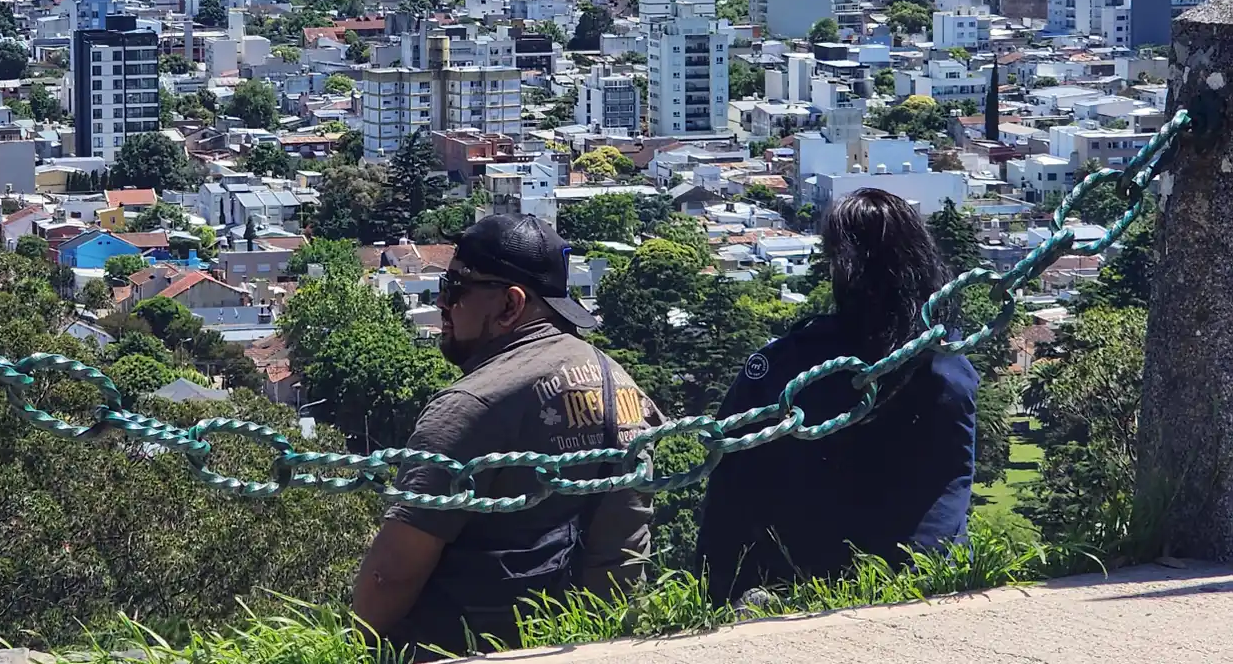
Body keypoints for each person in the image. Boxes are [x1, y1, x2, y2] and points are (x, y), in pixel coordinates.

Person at [353, 214, 665, 657]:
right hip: (605, 642)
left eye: (454, 288)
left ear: (510, 305)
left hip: (472, 650)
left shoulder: (473, 405)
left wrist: (353, 648)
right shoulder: (626, 387)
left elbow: (391, 576)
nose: (441, 303)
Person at [696, 188, 978, 604]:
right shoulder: (947, 365)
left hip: (801, 584)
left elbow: (730, 490)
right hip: (931, 579)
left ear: (839, 268)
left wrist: (714, 590)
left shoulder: (787, 369)